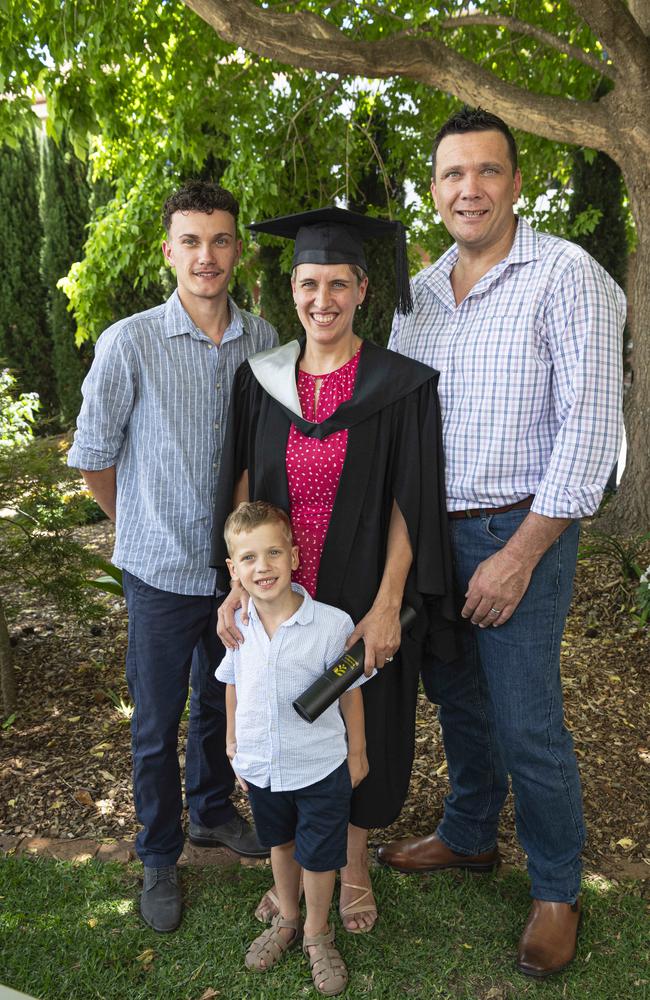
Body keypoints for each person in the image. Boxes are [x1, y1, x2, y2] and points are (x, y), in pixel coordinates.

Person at [379, 107, 626, 978]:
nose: (469, 188)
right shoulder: (418, 294)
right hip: (433, 539)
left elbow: (592, 431)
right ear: (434, 188)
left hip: (521, 526)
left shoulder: (566, 275)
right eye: (452, 174)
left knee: (527, 719)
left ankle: (558, 887)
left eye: (487, 171)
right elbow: (400, 423)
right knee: (460, 701)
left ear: (518, 182)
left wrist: (519, 554)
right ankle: (469, 833)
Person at [212, 206, 456, 934]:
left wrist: (387, 603)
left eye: (338, 284)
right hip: (278, 595)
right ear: (291, 291)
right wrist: (237, 586)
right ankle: (295, 861)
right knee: (283, 716)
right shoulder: (261, 381)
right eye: (309, 284)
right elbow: (243, 486)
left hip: (355, 598)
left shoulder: (399, 386)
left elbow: (411, 501)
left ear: (362, 290)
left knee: (364, 723)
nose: (323, 300)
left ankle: (349, 863)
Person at [67, 180, 278, 933]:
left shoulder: (262, 341)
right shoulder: (130, 341)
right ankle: (159, 854)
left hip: (234, 577)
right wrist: (135, 529)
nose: (206, 256)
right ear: (169, 252)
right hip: (159, 574)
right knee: (158, 722)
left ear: (237, 249)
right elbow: (93, 455)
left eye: (220, 240)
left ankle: (211, 814)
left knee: (225, 701)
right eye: (191, 241)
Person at [218, 500, 371, 996]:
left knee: (320, 855)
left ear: (294, 557)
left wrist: (358, 754)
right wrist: (232, 742)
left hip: (320, 767)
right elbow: (233, 684)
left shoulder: (329, 623)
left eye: (273, 553)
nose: (262, 567)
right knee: (279, 844)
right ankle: (286, 919)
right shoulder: (236, 624)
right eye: (248, 558)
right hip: (262, 766)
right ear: (234, 569)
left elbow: (350, 692)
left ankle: (316, 933)